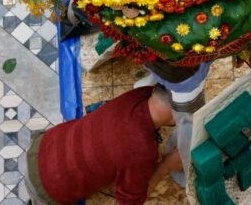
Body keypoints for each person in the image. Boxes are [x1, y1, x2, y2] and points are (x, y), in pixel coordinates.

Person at [25, 86, 182, 205]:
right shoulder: (141, 152)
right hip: (47, 188)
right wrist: (166, 166)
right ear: (177, 114)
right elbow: (131, 201)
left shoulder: (141, 93)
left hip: (41, 146)